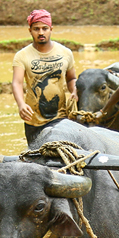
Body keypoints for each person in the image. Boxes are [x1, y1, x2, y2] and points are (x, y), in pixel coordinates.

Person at [12, 9, 77, 144]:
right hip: (33, 119)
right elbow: (17, 83)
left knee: (61, 154)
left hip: (61, 117)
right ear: (30, 30)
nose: (41, 33)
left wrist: (75, 91)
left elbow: (71, 78)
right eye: (36, 29)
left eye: (44, 28)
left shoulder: (65, 53)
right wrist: (21, 104)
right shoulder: (22, 56)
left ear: (51, 29)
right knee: (36, 158)